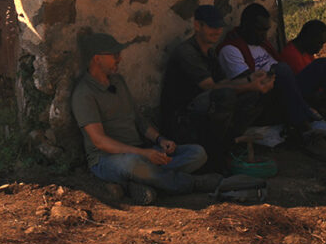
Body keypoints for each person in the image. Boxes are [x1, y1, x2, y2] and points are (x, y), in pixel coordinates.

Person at [73, 31, 264, 204]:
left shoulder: (118, 82)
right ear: (97, 59)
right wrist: (142, 154)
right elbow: (100, 142)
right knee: (133, 164)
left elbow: (138, 119)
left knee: (197, 153)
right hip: (107, 160)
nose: (119, 58)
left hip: (141, 153)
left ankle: (141, 183)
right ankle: (191, 184)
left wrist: (160, 139)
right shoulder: (84, 93)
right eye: (114, 55)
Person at [217, 4, 326, 162]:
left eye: (266, 30)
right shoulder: (231, 50)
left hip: (285, 91)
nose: (264, 35)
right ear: (246, 26)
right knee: (281, 70)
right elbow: (248, 84)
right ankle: (306, 133)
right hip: (263, 101)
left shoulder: (262, 44)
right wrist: (274, 76)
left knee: (325, 65)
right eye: (260, 29)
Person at [160, 4, 274, 170]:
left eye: (219, 27)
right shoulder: (186, 52)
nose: (218, 31)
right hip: (182, 117)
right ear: (198, 26)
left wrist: (251, 79)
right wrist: (249, 86)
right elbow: (211, 87)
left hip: (204, 108)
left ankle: (227, 146)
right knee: (225, 96)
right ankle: (214, 157)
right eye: (212, 27)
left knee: (253, 96)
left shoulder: (210, 52)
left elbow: (223, 81)